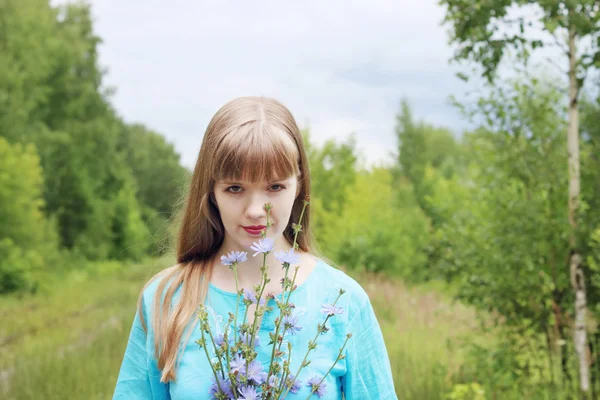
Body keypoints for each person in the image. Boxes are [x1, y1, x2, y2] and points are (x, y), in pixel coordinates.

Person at [113, 96, 397, 399]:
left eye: (274, 187)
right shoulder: (166, 298)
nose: (254, 211)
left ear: (298, 184)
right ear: (211, 191)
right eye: (235, 188)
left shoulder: (343, 302)